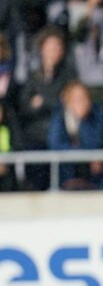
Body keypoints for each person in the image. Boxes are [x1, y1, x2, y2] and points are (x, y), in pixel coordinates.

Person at [15, 28, 77, 191]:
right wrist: (51, 101)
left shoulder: (68, 75)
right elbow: (24, 105)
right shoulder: (33, 76)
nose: (54, 52)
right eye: (50, 47)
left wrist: (42, 102)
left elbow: (67, 102)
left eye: (58, 47)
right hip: (35, 137)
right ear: (41, 49)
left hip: (60, 135)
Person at [48, 81, 103, 190]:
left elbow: (96, 142)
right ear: (67, 100)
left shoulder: (99, 114)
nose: (80, 102)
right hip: (69, 171)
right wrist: (82, 153)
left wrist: (83, 121)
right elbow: (55, 144)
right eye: (76, 99)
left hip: (95, 174)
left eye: (83, 98)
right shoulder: (59, 116)